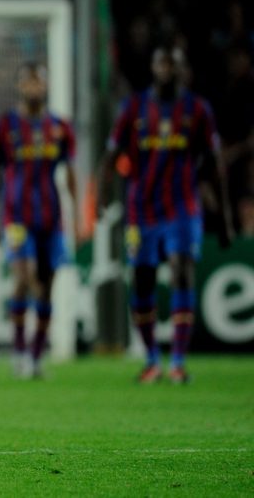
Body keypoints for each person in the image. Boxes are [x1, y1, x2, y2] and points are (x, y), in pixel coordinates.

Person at [99, 46, 234, 384]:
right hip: (141, 210)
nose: (167, 69)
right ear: (152, 67)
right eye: (161, 63)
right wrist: (101, 193)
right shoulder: (133, 107)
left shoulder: (197, 109)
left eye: (173, 64)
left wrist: (225, 217)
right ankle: (151, 359)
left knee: (181, 271)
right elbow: (111, 154)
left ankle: (177, 361)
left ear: (182, 69)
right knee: (142, 280)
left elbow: (214, 165)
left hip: (183, 208)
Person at [0, 63, 77, 379]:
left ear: (46, 86)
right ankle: (19, 351)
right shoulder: (4, 126)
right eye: (28, 82)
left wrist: (77, 216)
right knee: (24, 277)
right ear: (19, 86)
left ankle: (36, 357)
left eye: (39, 82)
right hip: (16, 216)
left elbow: (70, 174)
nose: (34, 88)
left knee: (47, 287)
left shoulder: (60, 127)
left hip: (51, 218)